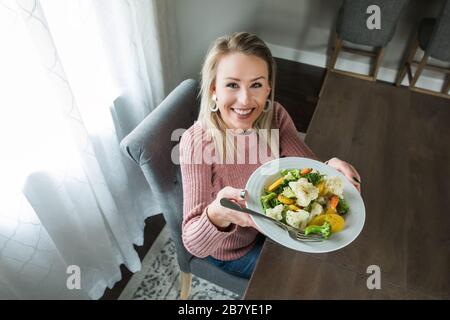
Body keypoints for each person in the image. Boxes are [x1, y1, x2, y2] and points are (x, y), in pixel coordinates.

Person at [179, 32, 361, 279]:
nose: (244, 100)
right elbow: (194, 244)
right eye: (232, 84)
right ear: (214, 89)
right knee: (309, 278)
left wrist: (331, 168)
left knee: (337, 262)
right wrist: (218, 213)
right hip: (234, 250)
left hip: (270, 229)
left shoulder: (274, 116)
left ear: (268, 88)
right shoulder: (195, 142)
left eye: (255, 85)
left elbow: (307, 171)